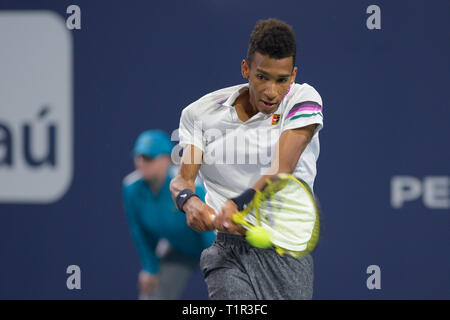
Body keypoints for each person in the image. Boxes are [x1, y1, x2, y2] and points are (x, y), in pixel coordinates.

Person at [170, 18, 324, 300]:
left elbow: (282, 170)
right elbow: (182, 180)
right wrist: (188, 201)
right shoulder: (199, 114)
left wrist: (237, 203)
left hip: (284, 250)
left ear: (293, 75)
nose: (271, 91)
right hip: (228, 252)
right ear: (246, 69)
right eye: (262, 77)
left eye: (282, 80)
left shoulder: (303, 99)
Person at [122, 129, 215, 299]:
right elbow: (140, 233)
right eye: (139, 157)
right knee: (151, 293)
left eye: (149, 158)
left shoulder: (190, 186)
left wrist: (219, 266)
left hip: (213, 245)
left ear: (166, 159)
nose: (142, 163)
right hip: (179, 250)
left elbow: (210, 228)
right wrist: (150, 268)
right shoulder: (130, 188)